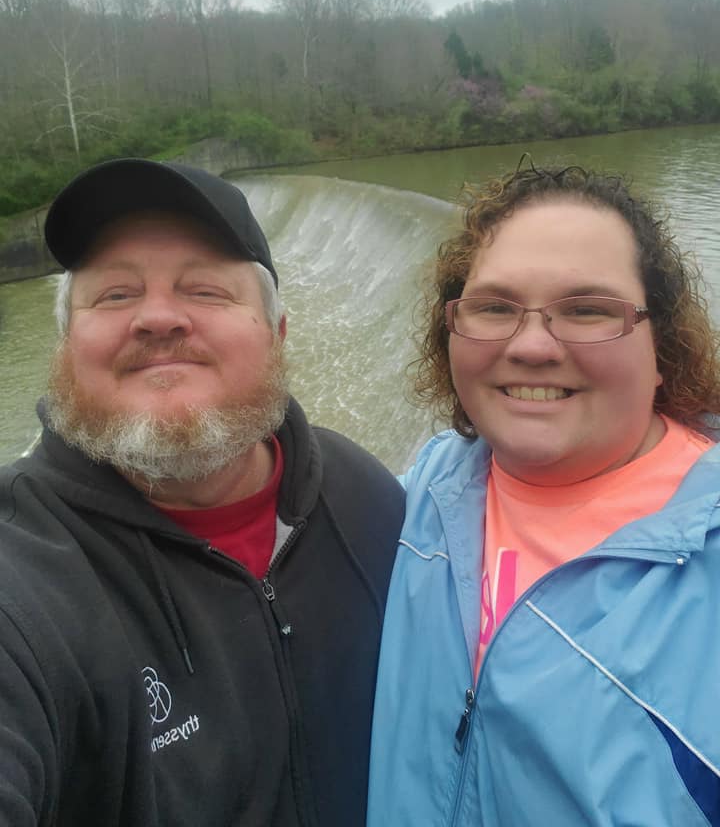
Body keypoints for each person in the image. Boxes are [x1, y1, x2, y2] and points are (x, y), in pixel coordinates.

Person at [0, 157, 404, 827]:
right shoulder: (21, 579)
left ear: (275, 337)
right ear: (70, 346)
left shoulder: (367, 500)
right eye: (115, 295)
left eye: (207, 292)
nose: (158, 318)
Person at [368, 163, 720, 827]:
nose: (530, 345)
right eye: (495, 307)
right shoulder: (417, 497)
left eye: (588, 310)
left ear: (662, 345)